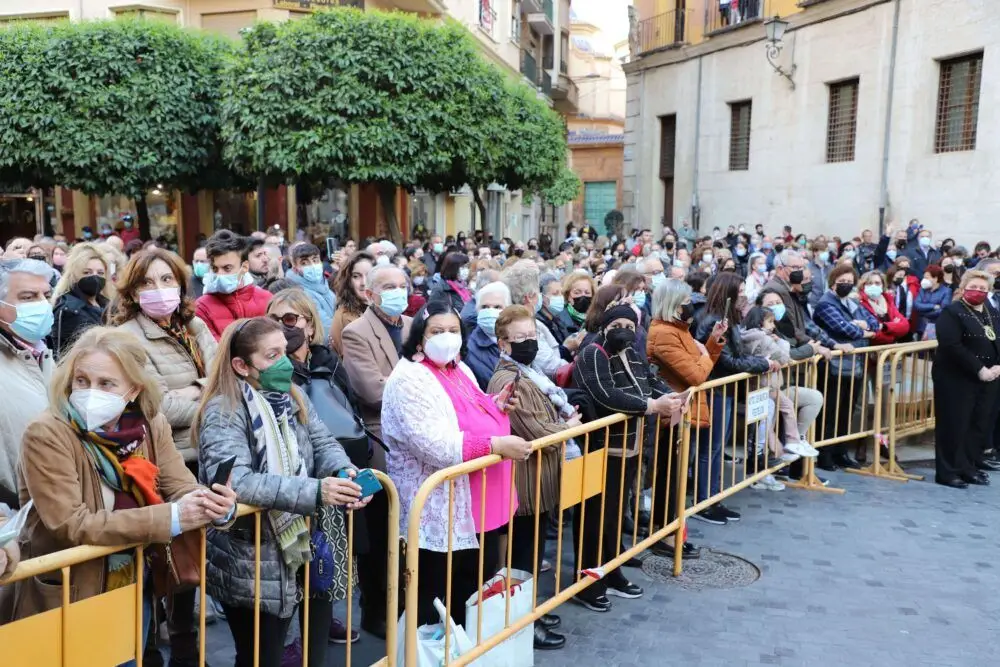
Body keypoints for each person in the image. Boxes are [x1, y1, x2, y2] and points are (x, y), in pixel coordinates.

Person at [5, 326, 236, 639]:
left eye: (106, 383)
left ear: (134, 390)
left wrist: (214, 505)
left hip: (135, 581)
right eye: (81, 380)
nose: (90, 392)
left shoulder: (150, 423)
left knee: (130, 655)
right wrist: (172, 517)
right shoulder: (47, 433)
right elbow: (70, 523)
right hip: (73, 592)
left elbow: (180, 485)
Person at [194, 317, 365, 667]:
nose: (285, 363)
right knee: (261, 655)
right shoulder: (223, 411)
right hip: (251, 557)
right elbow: (238, 482)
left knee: (313, 647)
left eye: (285, 352)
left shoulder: (292, 394)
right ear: (241, 365)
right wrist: (316, 492)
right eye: (272, 356)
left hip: (302, 539)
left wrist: (343, 470)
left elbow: (322, 441)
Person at [382, 298, 529, 626]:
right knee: (432, 596)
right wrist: (495, 444)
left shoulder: (459, 368)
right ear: (419, 337)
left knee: (471, 587)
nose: (447, 337)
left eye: (453, 330)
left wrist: (496, 403)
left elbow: (468, 406)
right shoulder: (409, 379)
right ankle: (424, 650)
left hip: (475, 500)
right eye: (437, 331)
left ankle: (463, 645)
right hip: (436, 504)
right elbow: (433, 444)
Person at [109, 248, 218, 665]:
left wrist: (197, 389)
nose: (159, 289)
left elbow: (227, 377)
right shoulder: (128, 336)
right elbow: (160, 406)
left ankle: (186, 645)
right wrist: (209, 391)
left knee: (189, 561)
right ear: (133, 291)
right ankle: (150, 646)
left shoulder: (193, 325)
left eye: (167, 279)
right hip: (160, 459)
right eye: (148, 282)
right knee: (158, 561)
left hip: (206, 452)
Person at [572, 302, 683, 611]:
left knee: (614, 516)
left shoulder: (631, 352)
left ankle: (611, 571)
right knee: (594, 518)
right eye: (617, 325)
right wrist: (651, 406)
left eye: (630, 326)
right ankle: (587, 583)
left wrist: (670, 397)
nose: (624, 331)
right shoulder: (593, 353)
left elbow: (649, 381)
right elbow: (604, 394)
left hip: (630, 447)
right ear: (604, 326)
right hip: (601, 448)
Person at [486, 305, 573, 650]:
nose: (529, 342)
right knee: (522, 557)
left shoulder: (529, 371)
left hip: (540, 477)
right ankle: (521, 623)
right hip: (525, 481)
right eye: (520, 337)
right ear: (503, 343)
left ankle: (529, 610)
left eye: (532, 336)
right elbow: (533, 427)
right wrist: (568, 428)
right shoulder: (509, 378)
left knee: (533, 553)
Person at [340, 264, 412, 638]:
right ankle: (377, 609)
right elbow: (373, 391)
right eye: (388, 286)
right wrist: (421, 389)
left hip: (418, 439)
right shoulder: (357, 332)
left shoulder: (414, 325)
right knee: (381, 532)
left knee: (410, 529)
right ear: (369, 294)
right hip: (382, 439)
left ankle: (408, 600)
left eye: (402, 285)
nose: (397, 291)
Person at [647, 279, 727, 550]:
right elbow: (696, 375)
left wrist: (712, 342)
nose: (690, 307)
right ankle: (665, 534)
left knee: (675, 476)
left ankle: (670, 531)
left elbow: (699, 367)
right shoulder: (665, 333)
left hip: (681, 412)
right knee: (669, 477)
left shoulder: (679, 331)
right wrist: (705, 353)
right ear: (672, 305)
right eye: (685, 303)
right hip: (671, 414)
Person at [692, 272, 774, 523]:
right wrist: (762, 363)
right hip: (714, 390)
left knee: (717, 447)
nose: (744, 296)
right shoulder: (713, 321)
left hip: (724, 391)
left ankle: (713, 497)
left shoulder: (728, 318)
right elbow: (726, 360)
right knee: (711, 448)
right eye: (739, 292)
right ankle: (704, 501)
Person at [933, 271, 1000, 488]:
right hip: (956, 378)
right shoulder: (952, 312)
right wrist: (979, 368)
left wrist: (997, 366)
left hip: (989, 378)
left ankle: (968, 467)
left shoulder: (991, 312)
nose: (978, 291)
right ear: (963, 288)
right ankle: (948, 471)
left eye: (983, 288)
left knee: (977, 425)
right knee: (955, 424)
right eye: (974, 287)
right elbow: (951, 345)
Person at [0, 258, 56, 508]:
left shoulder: (43, 353)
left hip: (54, 503)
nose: (43, 304)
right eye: (28, 297)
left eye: (46, 295)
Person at [813, 264, 877, 471]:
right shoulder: (825, 304)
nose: (846, 285)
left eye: (850, 282)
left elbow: (874, 323)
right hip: (833, 366)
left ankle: (840, 452)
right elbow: (845, 329)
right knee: (830, 411)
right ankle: (825, 453)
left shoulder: (852, 302)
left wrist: (864, 327)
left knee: (847, 411)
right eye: (842, 282)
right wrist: (861, 328)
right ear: (833, 282)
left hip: (855, 364)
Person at [195, 230, 273, 340]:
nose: (220, 274)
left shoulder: (266, 299)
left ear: (245, 267)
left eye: (227, 268)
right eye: (215, 268)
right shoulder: (202, 306)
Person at [50, 243, 113, 359]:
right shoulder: (69, 310)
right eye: (87, 272)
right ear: (74, 275)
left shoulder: (107, 304)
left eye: (100, 273)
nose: (95, 277)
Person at [465, 281, 511, 390]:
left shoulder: (519, 338)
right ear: (477, 311)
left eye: (497, 307)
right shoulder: (469, 351)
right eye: (485, 307)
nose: (490, 311)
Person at [283, 243, 336, 334]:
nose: (312, 266)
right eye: (304, 263)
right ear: (295, 268)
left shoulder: (323, 282)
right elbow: (325, 326)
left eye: (315, 260)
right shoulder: (299, 293)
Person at [329, 251, 374, 356]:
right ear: (348, 281)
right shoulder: (343, 317)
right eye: (356, 276)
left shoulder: (384, 309)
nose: (364, 283)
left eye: (369, 275)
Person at [857, 271, 909, 345]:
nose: (873, 286)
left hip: (889, 348)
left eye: (877, 283)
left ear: (883, 285)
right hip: (870, 348)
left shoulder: (888, 300)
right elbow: (869, 332)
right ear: (863, 286)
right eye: (869, 283)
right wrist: (893, 334)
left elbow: (905, 326)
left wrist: (883, 326)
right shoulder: (859, 302)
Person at [914, 264, 952, 340]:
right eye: (924, 277)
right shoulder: (922, 289)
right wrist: (933, 306)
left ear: (936, 278)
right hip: (921, 326)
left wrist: (924, 313)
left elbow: (943, 310)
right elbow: (916, 305)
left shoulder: (946, 291)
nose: (924, 280)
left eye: (927, 278)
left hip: (936, 327)